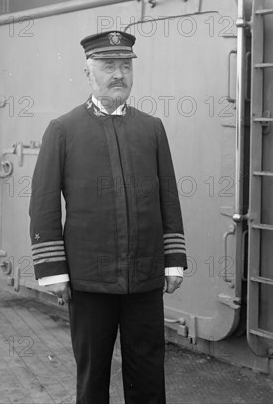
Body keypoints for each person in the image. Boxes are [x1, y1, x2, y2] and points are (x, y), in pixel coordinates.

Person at [29, 30, 187, 404]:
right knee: (93, 375)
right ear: (88, 72)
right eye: (108, 66)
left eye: (125, 66)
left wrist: (173, 261)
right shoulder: (63, 130)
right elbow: (45, 203)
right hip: (89, 282)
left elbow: (168, 197)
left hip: (145, 279)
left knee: (148, 372)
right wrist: (53, 271)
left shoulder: (151, 128)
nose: (118, 74)